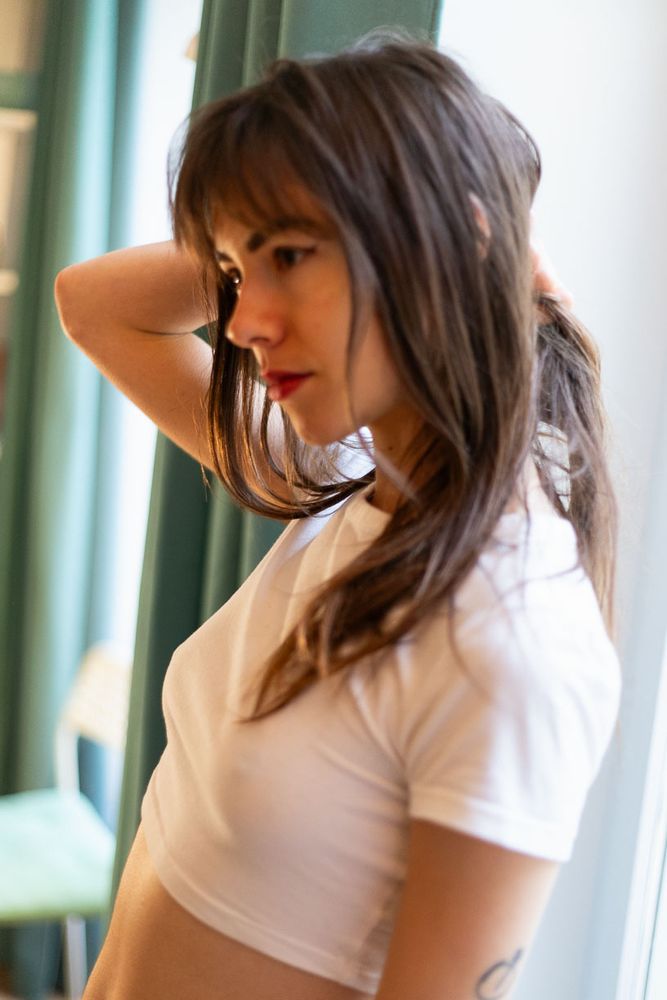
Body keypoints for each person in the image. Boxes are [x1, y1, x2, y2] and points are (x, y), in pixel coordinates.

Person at [54, 30, 621, 1000]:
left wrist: (443, 237)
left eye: (288, 256)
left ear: (450, 238)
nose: (241, 320)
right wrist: (255, 226)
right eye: (236, 271)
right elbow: (92, 304)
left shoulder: (511, 634)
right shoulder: (351, 479)